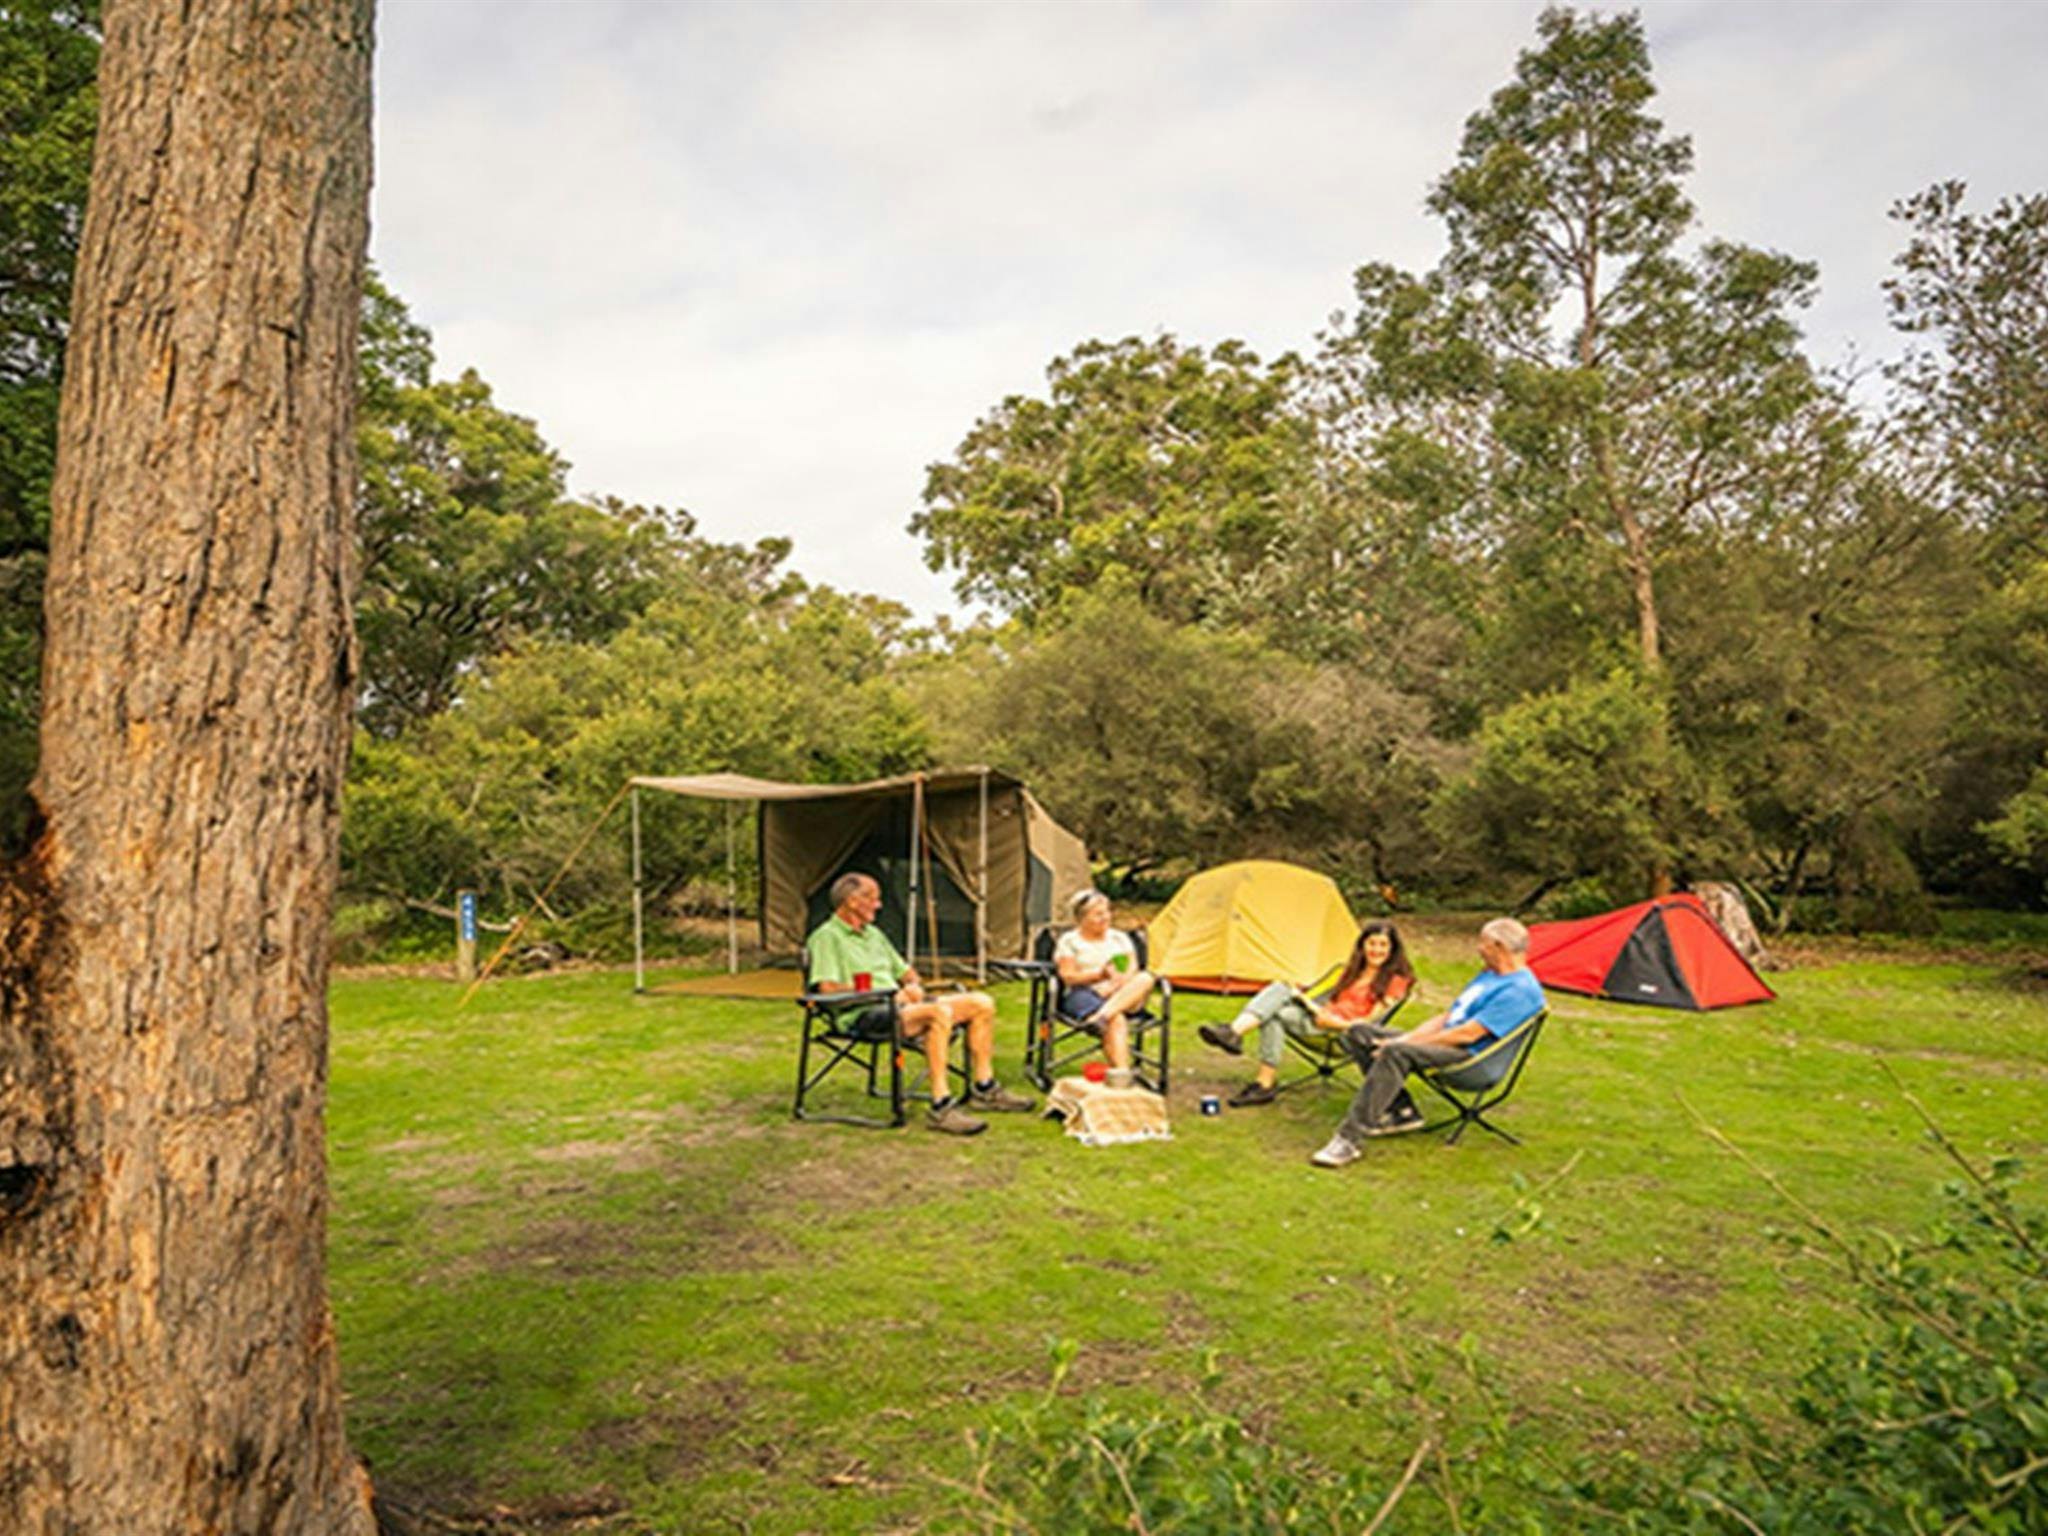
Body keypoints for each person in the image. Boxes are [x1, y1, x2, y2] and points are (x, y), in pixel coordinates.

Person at [807, 871, 1034, 1136]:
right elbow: (827, 988)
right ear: (852, 902)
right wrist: (888, 993)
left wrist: (913, 985)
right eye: (873, 899)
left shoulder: (874, 935)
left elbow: (906, 972)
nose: (879, 905)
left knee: (981, 1002)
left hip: (900, 1007)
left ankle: (984, 1089)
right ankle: (941, 1106)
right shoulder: (827, 937)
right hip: (862, 1013)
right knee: (937, 1013)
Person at [1309, 916, 1544, 1168]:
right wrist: (1409, 1038)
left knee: (1397, 1052)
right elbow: (1448, 1018)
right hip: (1448, 1042)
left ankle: (1348, 1140)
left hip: (1470, 1058)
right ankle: (1401, 1112)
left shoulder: (1519, 990)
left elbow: (1467, 1034)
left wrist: (1407, 1045)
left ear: (1499, 947)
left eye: (1483, 943)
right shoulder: (1489, 976)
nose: (1478, 948)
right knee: (1361, 1032)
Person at [1195, 921, 1415, 1106]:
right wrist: (1307, 1001)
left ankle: (1237, 1039)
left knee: (1277, 1004)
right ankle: (1259, 1076)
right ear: (1362, 945)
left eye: (1383, 945)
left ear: (1393, 949)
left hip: (1342, 1033)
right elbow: (1327, 998)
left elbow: (1368, 1023)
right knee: (1279, 992)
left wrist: (1325, 1017)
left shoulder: (1396, 981)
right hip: (1318, 1019)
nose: (1376, 950)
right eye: (1372, 943)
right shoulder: (1351, 971)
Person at [1052, 889, 1158, 1075]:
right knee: (1116, 1020)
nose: (1106, 917)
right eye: (1098, 914)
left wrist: (1114, 986)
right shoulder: (1070, 941)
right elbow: (1068, 976)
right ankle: (1121, 1076)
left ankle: (1100, 1017)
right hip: (1085, 993)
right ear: (1082, 918)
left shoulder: (1118, 938)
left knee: (1146, 978)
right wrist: (1099, 976)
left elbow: (1129, 970)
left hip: (1122, 993)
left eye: (1107, 911)